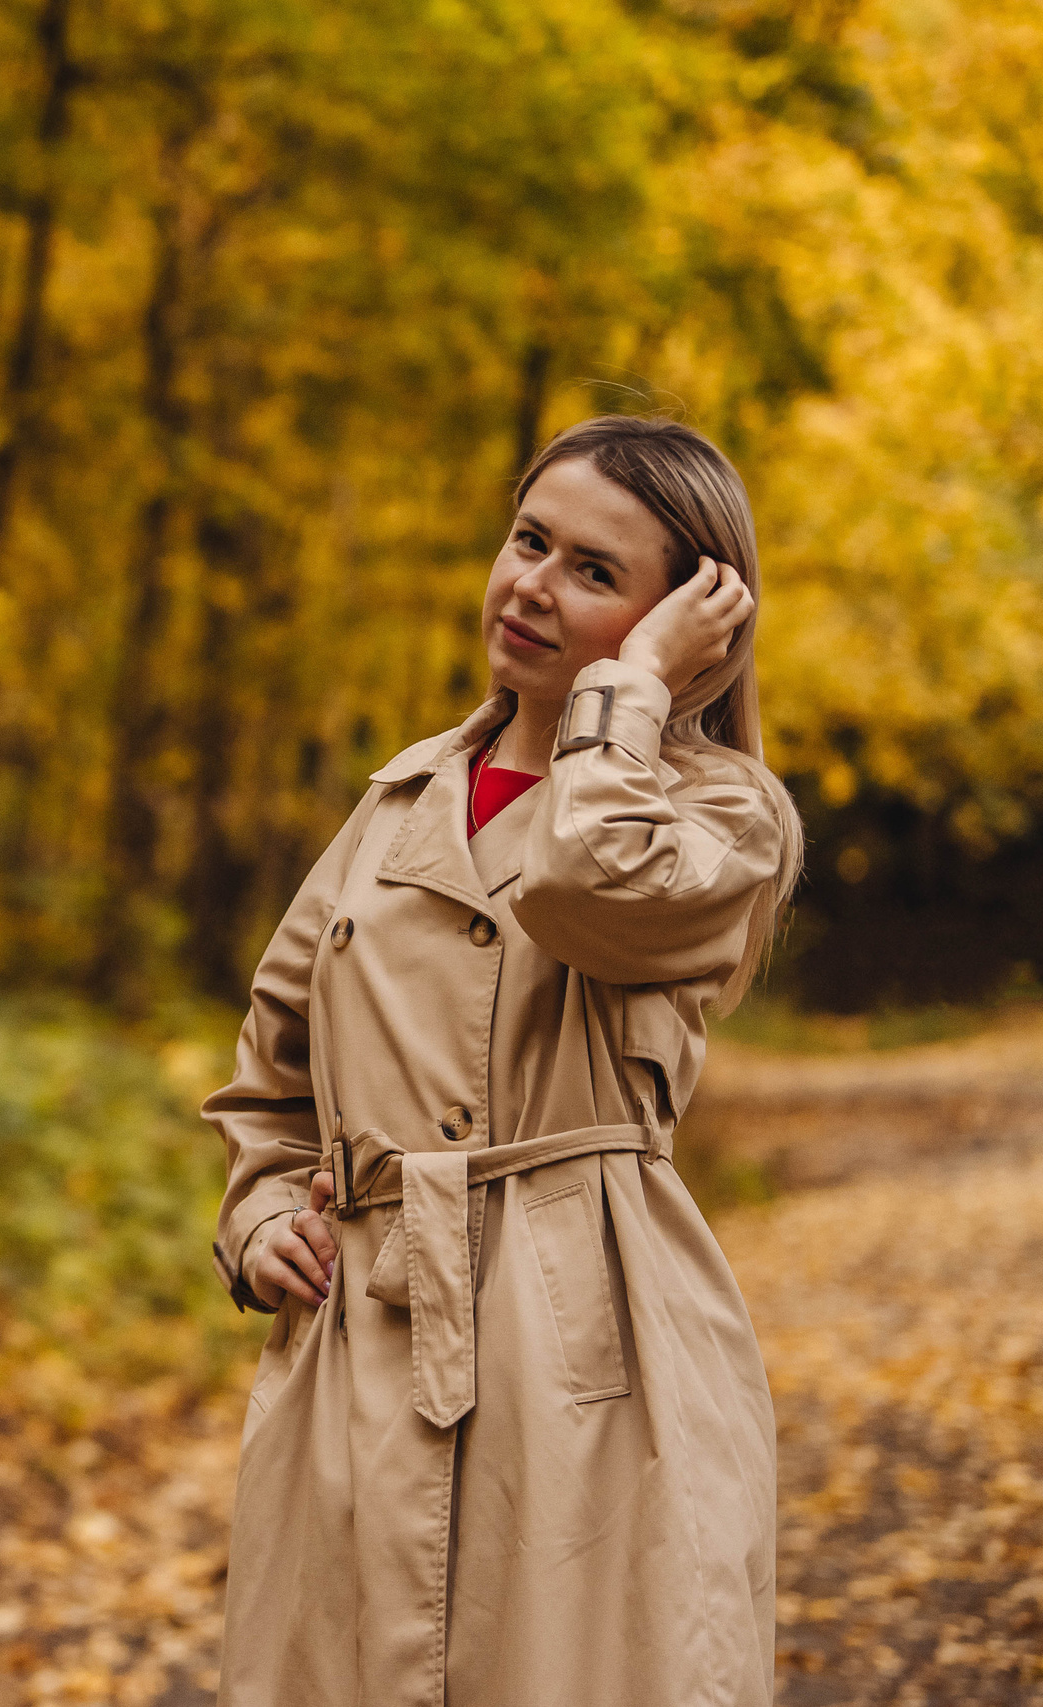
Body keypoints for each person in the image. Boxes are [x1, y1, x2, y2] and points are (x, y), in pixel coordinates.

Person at [202, 415, 804, 1707]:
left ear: (682, 624)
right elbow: (275, 1081)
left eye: (596, 572)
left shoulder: (717, 810)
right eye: (529, 540)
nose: (533, 583)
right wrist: (258, 1220)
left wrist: (629, 700)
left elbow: (592, 886)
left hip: (585, 1340)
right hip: (361, 1342)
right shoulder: (401, 800)